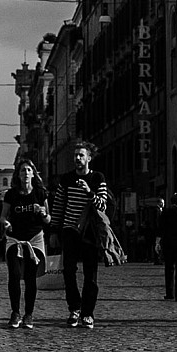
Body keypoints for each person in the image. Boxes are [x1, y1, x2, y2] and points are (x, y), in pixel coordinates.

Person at [51, 141, 110, 329]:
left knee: (90, 274)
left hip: (90, 232)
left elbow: (102, 205)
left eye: (81, 155)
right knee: (69, 271)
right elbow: (58, 206)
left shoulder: (97, 178)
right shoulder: (66, 179)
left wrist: (88, 192)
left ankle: (88, 313)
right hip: (69, 230)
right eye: (75, 155)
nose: (77, 158)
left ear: (89, 158)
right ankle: (74, 308)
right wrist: (53, 231)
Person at [3, 161, 50, 326]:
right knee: (14, 274)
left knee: (31, 276)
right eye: (22, 170)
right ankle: (15, 313)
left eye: (29, 170)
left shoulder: (40, 193)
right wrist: (5, 223)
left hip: (35, 239)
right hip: (15, 239)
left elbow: (48, 218)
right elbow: (3, 216)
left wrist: (44, 213)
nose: (25, 172)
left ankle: (28, 314)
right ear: (18, 174)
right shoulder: (11, 195)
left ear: (33, 174)